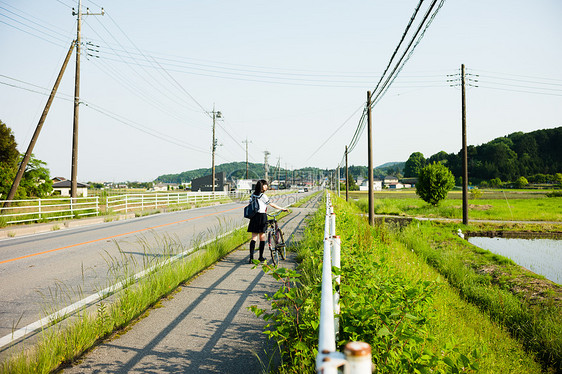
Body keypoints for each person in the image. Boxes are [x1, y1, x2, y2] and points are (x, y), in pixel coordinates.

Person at [247, 179, 288, 263]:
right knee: (262, 237)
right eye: (265, 185)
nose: (267, 186)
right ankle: (260, 257)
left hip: (254, 217)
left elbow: (249, 204)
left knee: (254, 237)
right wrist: (282, 208)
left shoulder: (253, 195)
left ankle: (251, 258)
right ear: (262, 186)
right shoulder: (263, 196)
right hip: (262, 216)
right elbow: (271, 204)